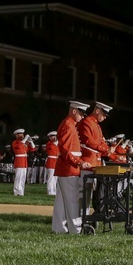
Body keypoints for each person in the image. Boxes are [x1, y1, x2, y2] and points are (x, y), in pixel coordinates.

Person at [53, 100, 91, 234]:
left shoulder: (70, 124)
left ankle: (59, 228)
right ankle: (76, 229)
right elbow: (66, 151)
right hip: (69, 168)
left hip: (66, 167)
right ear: (74, 111)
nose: (82, 116)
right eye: (81, 113)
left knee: (61, 202)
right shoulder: (68, 125)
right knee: (72, 200)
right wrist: (79, 162)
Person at [11, 129, 34, 196]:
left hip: (24, 162)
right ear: (16, 135)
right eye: (20, 134)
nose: (22, 136)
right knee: (18, 177)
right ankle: (16, 191)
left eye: (22, 134)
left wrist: (31, 141)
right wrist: (26, 139)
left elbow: (33, 149)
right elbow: (19, 146)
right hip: (19, 162)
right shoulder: (15, 142)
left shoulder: (24, 143)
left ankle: (21, 192)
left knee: (23, 177)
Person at [44, 131, 59, 196]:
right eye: (52, 136)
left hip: (57, 161)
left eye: (54, 136)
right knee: (51, 177)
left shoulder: (58, 143)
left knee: (55, 178)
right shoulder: (49, 144)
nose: (53, 138)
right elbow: (52, 147)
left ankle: (54, 190)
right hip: (51, 162)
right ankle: (50, 191)